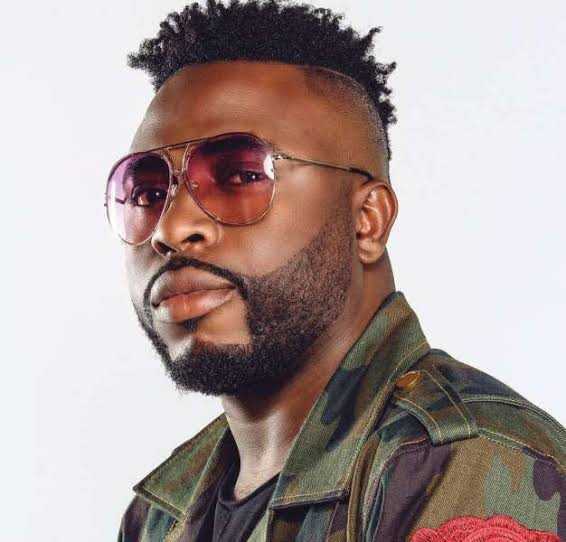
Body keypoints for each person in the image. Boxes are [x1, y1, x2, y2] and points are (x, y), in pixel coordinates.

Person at [108, 1, 566, 540]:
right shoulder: (159, 515)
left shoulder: (463, 463)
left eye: (240, 176)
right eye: (146, 192)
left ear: (367, 221)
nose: (171, 226)